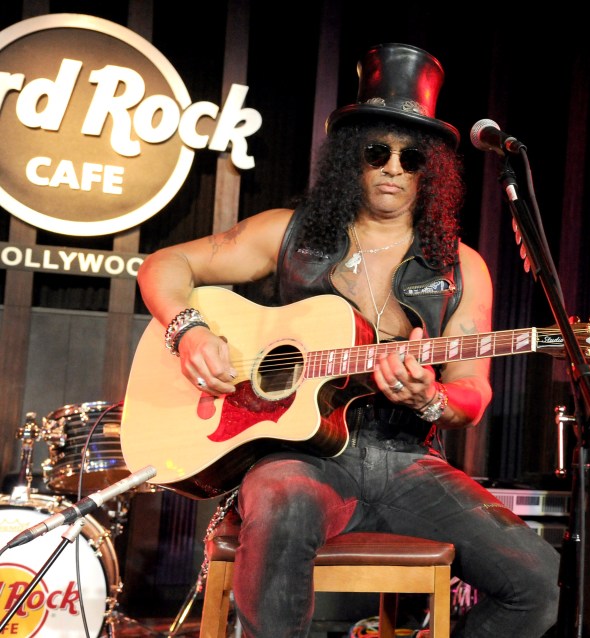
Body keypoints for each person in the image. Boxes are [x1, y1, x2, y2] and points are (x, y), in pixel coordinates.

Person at [136, 43, 560, 637]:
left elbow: (472, 395)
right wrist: (189, 331)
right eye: (376, 151)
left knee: (536, 579)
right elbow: (162, 266)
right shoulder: (288, 235)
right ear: (348, 159)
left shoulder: (462, 269)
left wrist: (429, 399)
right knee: (281, 505)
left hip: (407, 462)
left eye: (412, 158)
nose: (393, 167)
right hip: (298, 456)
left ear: (430, 171)